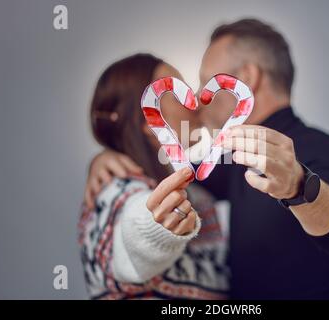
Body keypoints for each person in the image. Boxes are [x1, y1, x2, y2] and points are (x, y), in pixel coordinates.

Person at [84, 19, 329, 299]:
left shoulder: (320, 149)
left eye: (204, 81)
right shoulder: (231, 160)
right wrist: (112, 151)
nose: (196, 97)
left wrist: (299, 187)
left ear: (246, 78)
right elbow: (173, 177)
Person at [78, 53, 228, 299]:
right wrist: (159, 225)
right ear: (149, 116)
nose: (196, 103)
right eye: (179, 91)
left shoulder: (200, 191)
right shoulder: (114, 190)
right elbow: (133, 231)